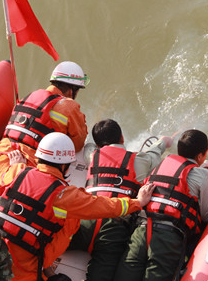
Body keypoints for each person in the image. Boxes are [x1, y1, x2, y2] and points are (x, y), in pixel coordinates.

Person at [0, 132, 156, 281]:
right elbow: (103, 206)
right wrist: (137, 202)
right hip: (23, 270)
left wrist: (17, 165)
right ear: (64, 164)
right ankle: (46, 266)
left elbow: (13, 175)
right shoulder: (64, 195)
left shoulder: (15, 172)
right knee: (71, 219)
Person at [0, 61, 89, 215]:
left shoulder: (29, 96)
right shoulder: (69, 106)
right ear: (72, 90)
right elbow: (78, 144)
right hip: (21, 164)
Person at [114, 129, 208, 281]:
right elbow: (207, 215)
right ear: (200, 156)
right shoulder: (201, 174)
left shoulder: (163, 162)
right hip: (168, 238)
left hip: (141, 231)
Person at [67, 119, 172, 281]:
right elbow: (154, 154)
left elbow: (88, 147)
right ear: (121, 137)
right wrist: (164, 141)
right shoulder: (139, 161)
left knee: (51, 241)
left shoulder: (92, 156)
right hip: (113, 230)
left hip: (84, 221)